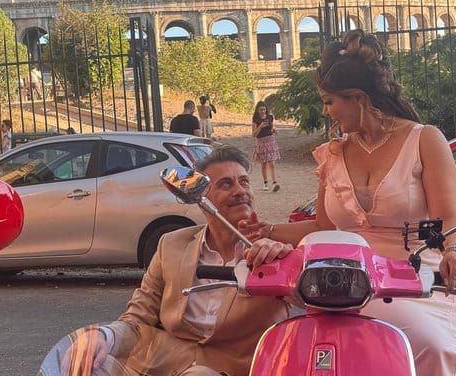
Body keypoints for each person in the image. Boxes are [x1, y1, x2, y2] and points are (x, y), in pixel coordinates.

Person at [240, 29, 456, 376]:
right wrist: (267, 230)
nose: (325, 111)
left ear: (357, 98)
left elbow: (450, 219)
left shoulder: (425, 140)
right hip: (350, 284)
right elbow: (324, 227)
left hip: (421, 277)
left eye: (329, 101)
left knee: (443, 349)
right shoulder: (332, 153)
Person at [39, 146, 292, 376]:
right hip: (160, 364)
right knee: (83, 361)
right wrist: (103, 336)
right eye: (226, 184)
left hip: (231, 370)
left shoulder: (274, 252)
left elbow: (306, 304)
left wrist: (286, 264)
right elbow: (138, 315)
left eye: (244, 182)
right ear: (199, 197)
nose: (240, 191)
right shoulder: (171, 244)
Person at [251, 101, 280, 192]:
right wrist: (260, 126)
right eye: (261, 110)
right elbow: (254, 134)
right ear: (257, 110)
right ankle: (265, 183)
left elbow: (271, 128)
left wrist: (274, 130)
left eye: (264, 109)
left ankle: (274, 182)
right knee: (264, 163)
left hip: (270, 140)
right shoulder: (255, 120)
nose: (263, 111)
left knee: (272, 163)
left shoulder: (270, 117)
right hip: (261, 142)